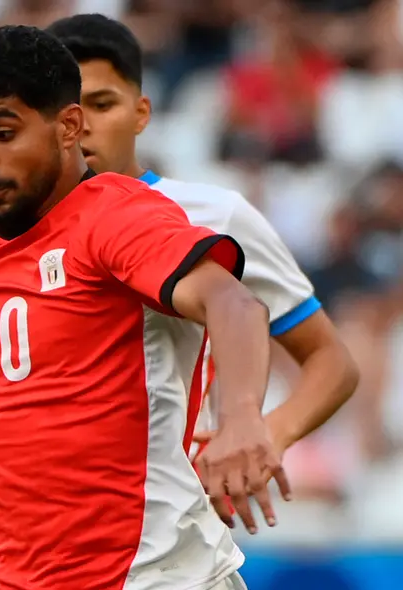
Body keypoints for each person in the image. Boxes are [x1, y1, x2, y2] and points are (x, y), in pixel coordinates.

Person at [0, 25, 285, 590]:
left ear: (69, 127)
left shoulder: (116, 217)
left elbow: (236, 305)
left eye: (3, 132)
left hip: (156, 576)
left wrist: (240, 419)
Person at [40, 13, 358, 467]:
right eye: (65, 111)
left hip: (174, 520)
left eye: (103, 104)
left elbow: (331, 361)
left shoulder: (214, 215)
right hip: (51, 516)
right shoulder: (11, 231)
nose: (82, 126)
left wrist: (263, 435)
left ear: (141, 113)